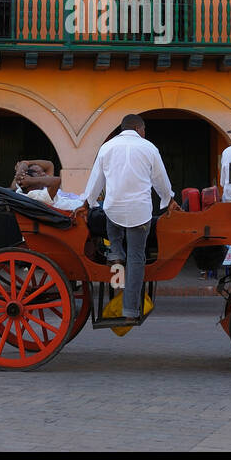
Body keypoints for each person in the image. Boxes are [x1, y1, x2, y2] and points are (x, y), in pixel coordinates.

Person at [82, 114, 174, 322]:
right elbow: (160, 180)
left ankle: (115, 251)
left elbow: (97, 179)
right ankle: (130, 311)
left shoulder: (107, 147)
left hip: (113, 210)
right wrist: (168, 199)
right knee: (136, 259)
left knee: (111, 221)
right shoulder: (149, 148)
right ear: (139, 128)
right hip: (140, 213)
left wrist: (88, 202)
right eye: (144, 131)